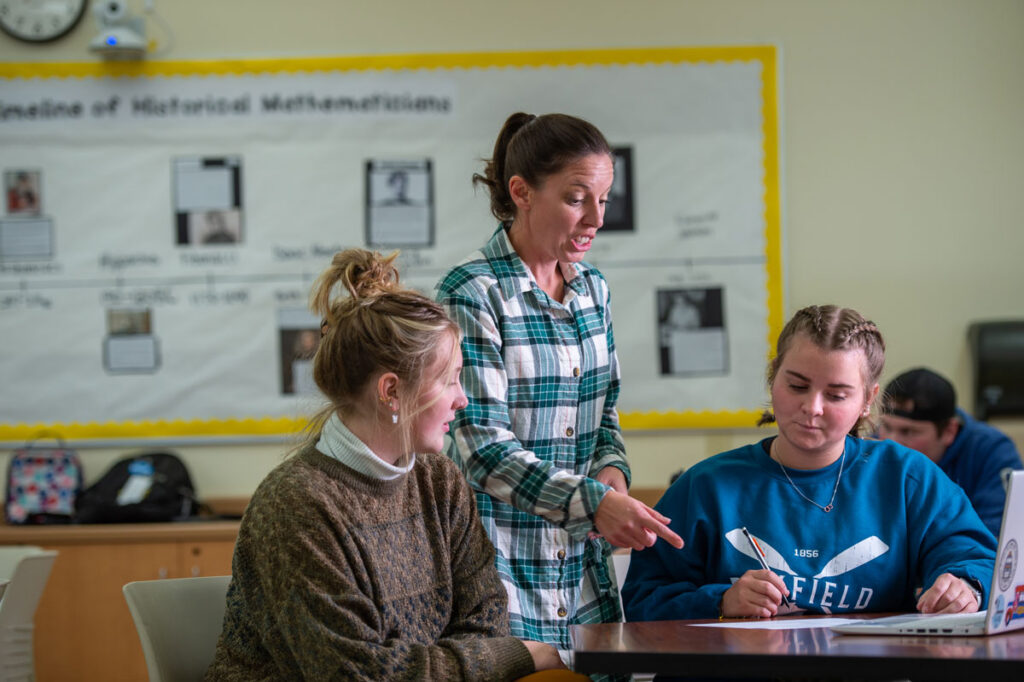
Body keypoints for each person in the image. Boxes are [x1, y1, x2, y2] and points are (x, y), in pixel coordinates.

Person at [206, 249, 565, 681]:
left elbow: (486, 619)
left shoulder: (441, 480)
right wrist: (509, 657)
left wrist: (465, 660)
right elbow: (358, 674)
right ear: (391, 391)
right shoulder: (295, 506)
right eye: (448, 379)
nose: (461, 398)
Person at [435, 112, 683, 661]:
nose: (596, 218)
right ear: (521, 192)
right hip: (500, 564)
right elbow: (482, 448)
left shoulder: (594, 290)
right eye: (577, 199)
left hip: (580, 570)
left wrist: (612, 480)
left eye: (605, 199)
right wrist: (594, 504)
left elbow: (604, 419)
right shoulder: (474, 291)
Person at [622, 305, 996, 626]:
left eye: (836, 394)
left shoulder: (907, 478)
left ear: (868, 400)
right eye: (797, 386)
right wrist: (720, 602)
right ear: (773, 378)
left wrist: (965, 585)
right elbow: (643, 600)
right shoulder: (706, 487)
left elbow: (979, 557)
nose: (812, 407)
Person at [880, 367, 1024, 537]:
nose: (891, 442)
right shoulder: (869, 449)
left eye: (908, 432)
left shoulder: (992, 451)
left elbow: (999, 535)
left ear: (949, 431)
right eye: (886, 427)